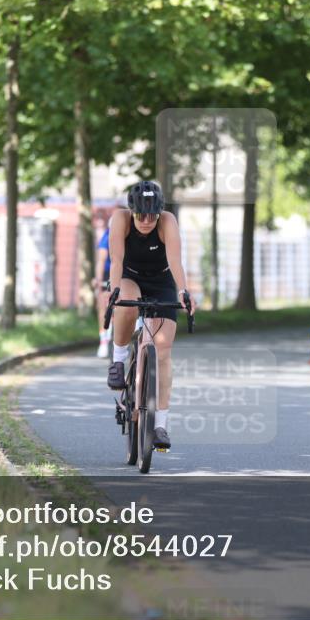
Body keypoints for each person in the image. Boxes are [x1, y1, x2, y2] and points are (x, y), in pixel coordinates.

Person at [106, 180, 194, 450]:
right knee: (127, 304)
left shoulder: (168, 221)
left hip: (161, 281)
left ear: (159, 212)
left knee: (164, 347)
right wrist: (116, 289)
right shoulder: (120, 220)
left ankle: (160, 426)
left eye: (152, 215)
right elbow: (117, 260)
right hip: (129, 277)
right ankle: (119, 361)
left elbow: (175, 261)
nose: (146, 221)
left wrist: (184, 291)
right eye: (140, 215)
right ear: (131, 211)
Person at [94, 222, 112, 357]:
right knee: (103, 305)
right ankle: (103, 341)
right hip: (108, 272)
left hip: (126, 272)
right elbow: (101, 259)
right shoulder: (107, 236)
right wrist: (99, 280)